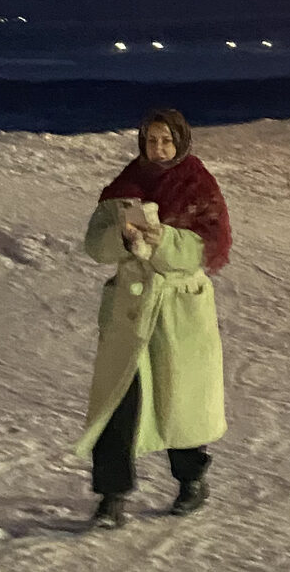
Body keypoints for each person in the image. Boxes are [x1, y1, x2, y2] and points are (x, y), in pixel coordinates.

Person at [75, 107, 231, 530]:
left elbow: (208, 246)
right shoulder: (124, 188)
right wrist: (122, 240)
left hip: (178, 310)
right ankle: (111, 497)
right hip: (130, 309)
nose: (158, 149)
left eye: (166, 140)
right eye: (151, 140)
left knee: (179, 400)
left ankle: (192, 480)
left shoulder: (198, 185)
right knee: (118, 403)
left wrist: (164, 239)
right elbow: (95, 245)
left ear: (180, 141)